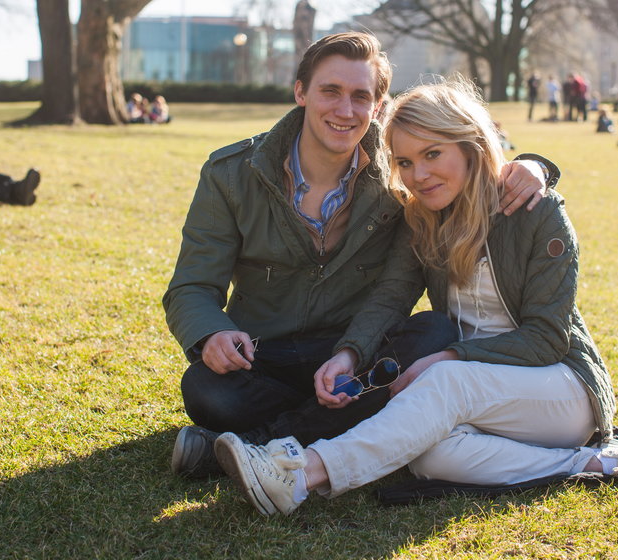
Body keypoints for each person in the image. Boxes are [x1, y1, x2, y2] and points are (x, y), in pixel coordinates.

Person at [211, 78, 618, 517]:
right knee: (428, 457)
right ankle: (603, 465)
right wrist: (348, 353)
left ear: (469, 145)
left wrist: (448, 356)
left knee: (445, 383)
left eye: (432, 154)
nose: (418, 174)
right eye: (404, 162)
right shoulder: (422, 219)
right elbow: (391, 298)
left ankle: (299, 474)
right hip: (472, 392)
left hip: (559, 388)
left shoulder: (534, 210)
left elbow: (547, 339)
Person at [165, 33, 551, 478]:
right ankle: (321, 428)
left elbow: (469, 175)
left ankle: (254, 444)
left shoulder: (403, 182)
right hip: (261, 358)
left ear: (378, 106)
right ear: (301, 92)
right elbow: (191, 286)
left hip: (354, 358)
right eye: (330, 91)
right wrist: (212, 334)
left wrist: (537, 166)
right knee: (205, 391)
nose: (345, 110)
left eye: (360, 97)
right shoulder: (231, 174)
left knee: (434, 332)